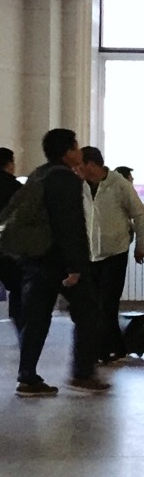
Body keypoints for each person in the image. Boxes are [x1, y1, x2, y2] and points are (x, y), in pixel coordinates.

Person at [14, 129, 110, 395]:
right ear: (68, 152)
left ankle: (27, 378)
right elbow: (70, 226)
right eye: (77, 146)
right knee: (90, 312)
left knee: (35, 320)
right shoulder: (66, 180)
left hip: (35, 258)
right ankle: (82, 373)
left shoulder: (38, 174)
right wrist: (76, 267)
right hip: (59, 263)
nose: (80, 151)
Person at [77, 146, 144, 364]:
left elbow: (139, 215)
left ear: (91, 164)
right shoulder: (79, 185)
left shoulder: (118, 184)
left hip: (115, 252)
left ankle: (104, 350)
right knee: (95, 305)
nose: (77, 169)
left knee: (107, 303)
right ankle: (115, 347)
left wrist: (141, 245)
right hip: (90, 254)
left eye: (81, 164)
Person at [0, 147, 23, 315]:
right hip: (8, 246)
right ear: (9, 164)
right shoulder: (15, 187)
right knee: (17, 288)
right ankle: (23, 332)